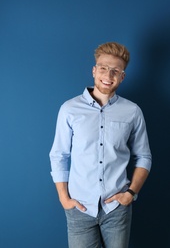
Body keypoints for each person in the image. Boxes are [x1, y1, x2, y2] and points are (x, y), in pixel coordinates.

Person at [49, 42, 152, 248]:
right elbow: (59, 155)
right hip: (80, 209)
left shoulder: (132, 112)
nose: (108, 75)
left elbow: (144, 156)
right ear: (94, 70)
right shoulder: (69, 109)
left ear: (122, 77)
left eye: (115, 71)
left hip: (117, 209)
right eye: (104, 68)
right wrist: (64, 199)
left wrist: (130, 194)